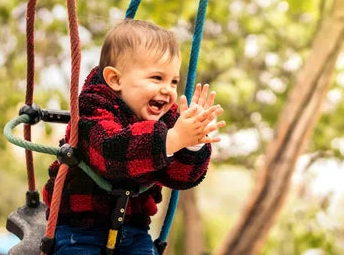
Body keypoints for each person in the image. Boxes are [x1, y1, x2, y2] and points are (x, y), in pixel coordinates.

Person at [42, 19, 225, 255]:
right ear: (116, 80)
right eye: (157, 78)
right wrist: (174, 138)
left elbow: (181, 178)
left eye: (174, 81)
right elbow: (113, 153)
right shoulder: (91, 109)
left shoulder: (165, 120)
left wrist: (192, 144)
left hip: (134, 230)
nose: (168, 90)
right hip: (80, 229)